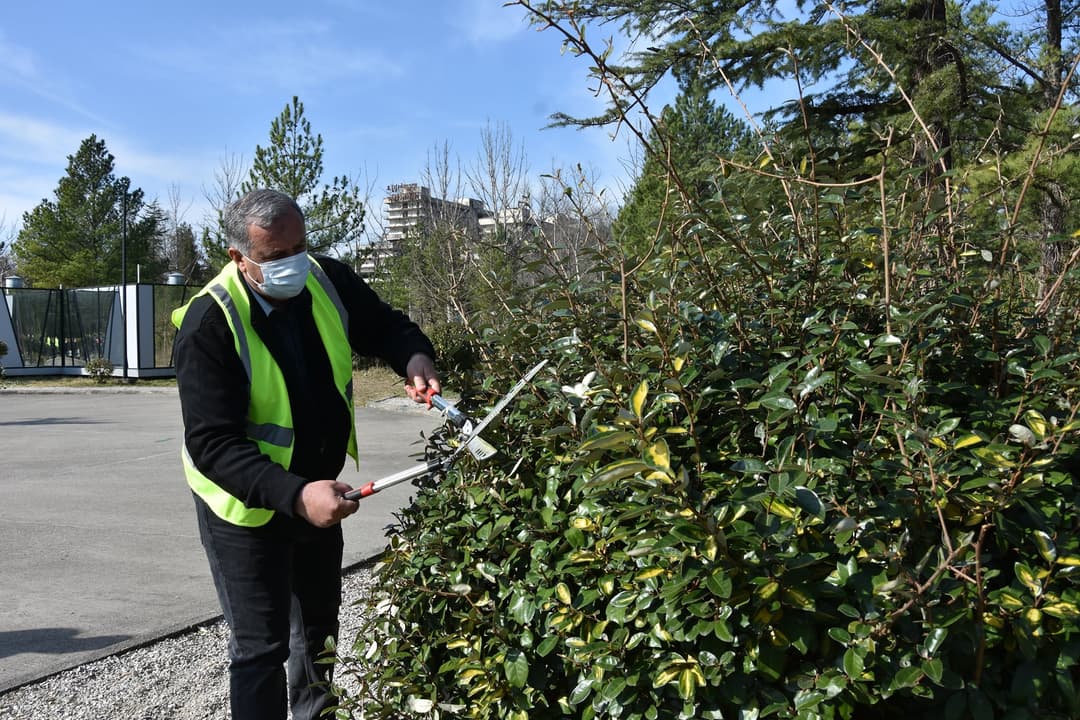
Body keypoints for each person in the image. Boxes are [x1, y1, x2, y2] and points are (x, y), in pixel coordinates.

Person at [172, 188, 439, 720]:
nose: (293, 264)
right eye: (275, 257)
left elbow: (383, 324)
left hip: (319, 495)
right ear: (239, 258)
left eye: (300, 246)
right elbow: (213, 445)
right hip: (245, 512)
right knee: (261, 651)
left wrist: (413, 355)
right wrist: (295, 495)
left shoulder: (325, 279)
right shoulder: (209, 324)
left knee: (318, 639)